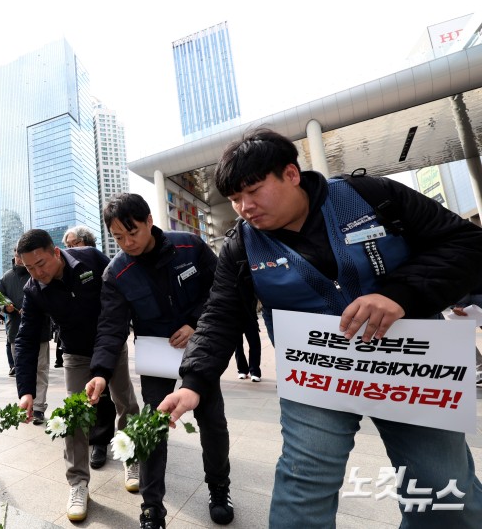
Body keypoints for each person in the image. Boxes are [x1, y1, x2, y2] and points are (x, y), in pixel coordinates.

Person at [159, 128, 482, 528]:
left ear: (291, 174)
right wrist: (193, 381)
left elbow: (467, 244)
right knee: (302, 489)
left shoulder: (371, 196)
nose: (245, 207)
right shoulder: (241, 246)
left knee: (443, 486)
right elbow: (220, 313)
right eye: (235, 199)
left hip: (411, 366)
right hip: (318, 375)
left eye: (254, 190)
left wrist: (402, 294)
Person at [86, 194, 233, 529]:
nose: (127, 243)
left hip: (201, 346)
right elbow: (111, 327)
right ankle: (152, 507)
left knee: (212, 420)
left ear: (149, 221)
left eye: (132, 232)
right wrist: (100, 373)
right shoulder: (116, 272)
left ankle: (219, 489)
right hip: (157, 355)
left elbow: (221, 289)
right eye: (118, 237)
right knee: (152, 428)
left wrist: (195, 322)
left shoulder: (190, 247)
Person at [15, 229, 140, 522]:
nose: (37, 273)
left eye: (41, 264)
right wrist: (26, 390)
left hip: (110, 343)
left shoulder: (91, 260)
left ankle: (131, 456)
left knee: (124, 401)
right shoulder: (33, 290)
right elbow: (26, 340)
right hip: (75, 353)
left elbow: (121, 292)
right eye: (29, 268)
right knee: (76, 414)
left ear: (56, 252)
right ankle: (78, 483)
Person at [63, 225, 118, 470]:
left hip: (105, 336)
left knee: (106, 393)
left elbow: (116, 283)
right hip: (76, 343)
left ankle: (101, 440)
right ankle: (86, 438)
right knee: (81, 395)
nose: (69, 249)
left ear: (86, 243)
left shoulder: (95, 259)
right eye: (66, 245)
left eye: (73, 244)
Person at [0, 248, 51, 419]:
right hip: (15, 330)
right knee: (21, 369)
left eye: (22, 256)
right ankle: (26, 402)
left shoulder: (37, 272)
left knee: (41, 369)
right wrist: (6, 307)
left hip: (40, 329)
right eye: (17, 256)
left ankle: (39, 407)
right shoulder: (7, 277)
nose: (20, 260)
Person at [233, 297, 262, 382]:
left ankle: (255, 371)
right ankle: (242, 370)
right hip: (235, 317)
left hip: (250, 317)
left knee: (254, 344)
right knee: (237, 345)